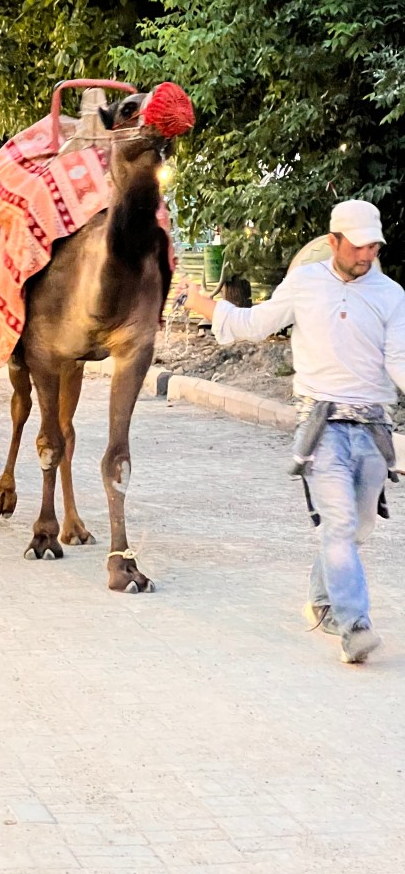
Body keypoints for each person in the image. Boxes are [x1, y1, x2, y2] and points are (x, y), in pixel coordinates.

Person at [178, 200, 405, 664]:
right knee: (339, 523)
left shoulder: (390, 294)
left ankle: (323, 599)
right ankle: (355, 625)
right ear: (334, 242)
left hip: (373, 428)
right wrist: (203, 303)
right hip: (321, 426)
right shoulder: (304, 283)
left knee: (358, 528)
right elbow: (253, 323)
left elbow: (400, 360)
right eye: (358, 246)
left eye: (374, 247)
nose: (367, 255)